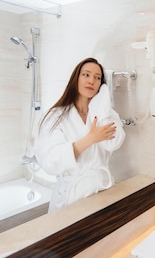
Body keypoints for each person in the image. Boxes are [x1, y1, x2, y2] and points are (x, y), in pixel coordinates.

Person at [35, 57, 125, 212]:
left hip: (101, 192)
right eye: (86, 75)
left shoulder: (104, 113)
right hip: (70, 198)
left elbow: (114, 142)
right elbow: (51, 161)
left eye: (97, 78)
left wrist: (103, 103)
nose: (91, 81)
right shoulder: (55, 116)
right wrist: (90, 139)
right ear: (75, 78)